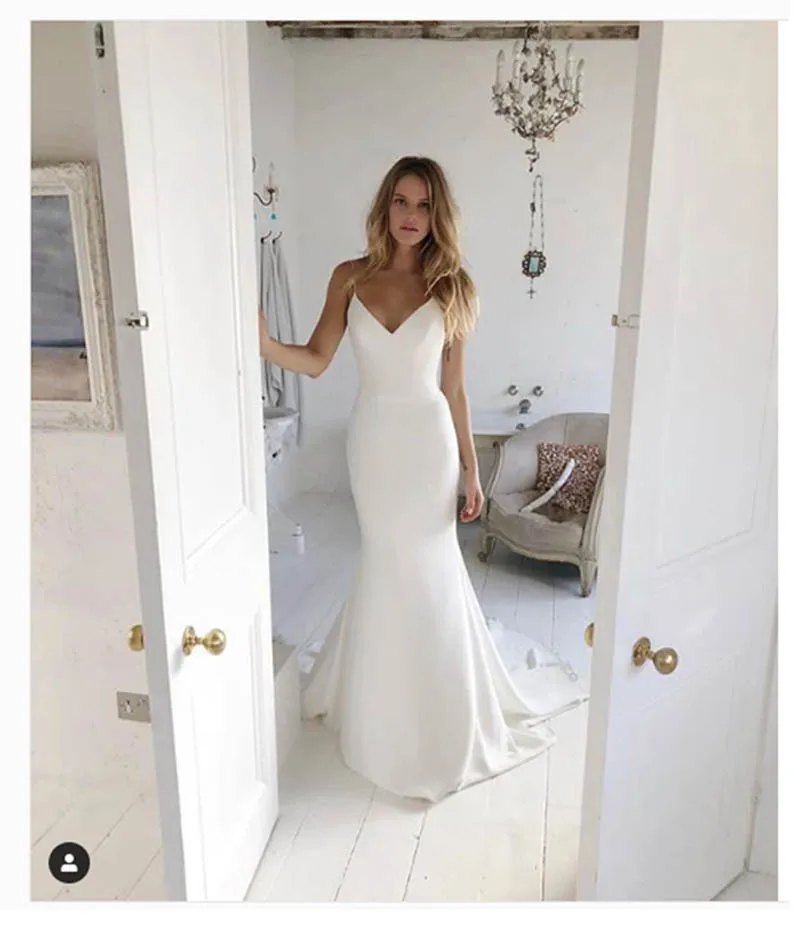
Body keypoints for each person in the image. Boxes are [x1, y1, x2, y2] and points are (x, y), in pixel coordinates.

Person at [259, 155, 586, 803]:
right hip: (374, 444)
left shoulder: (453, 286)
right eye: (401, 202)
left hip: (428, 445)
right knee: (385, 560)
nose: (411, 216)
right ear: (385, 207)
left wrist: (472, 470)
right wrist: (262, 343)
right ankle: (380, 708)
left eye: (425, 205)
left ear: (439, 215)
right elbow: (317, 360)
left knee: (429, 566)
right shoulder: (350, 277)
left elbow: (454, 389)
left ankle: (443, 709)